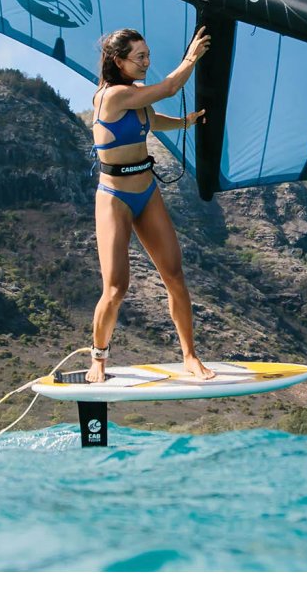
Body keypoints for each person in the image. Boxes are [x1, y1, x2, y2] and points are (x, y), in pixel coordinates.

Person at [87, 25, 215, 383]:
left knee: (174, 274)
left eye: (148, 56)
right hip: (114, 197)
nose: (146, 62)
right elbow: (170, 87)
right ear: (118, 61)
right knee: (116, 288)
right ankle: (98, 358)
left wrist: (186, 122)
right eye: (139, 57)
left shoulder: (135, 93)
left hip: (146, 190)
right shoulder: (111, 96)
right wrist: (191, 58)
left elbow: (152, 120)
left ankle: (189, 356)